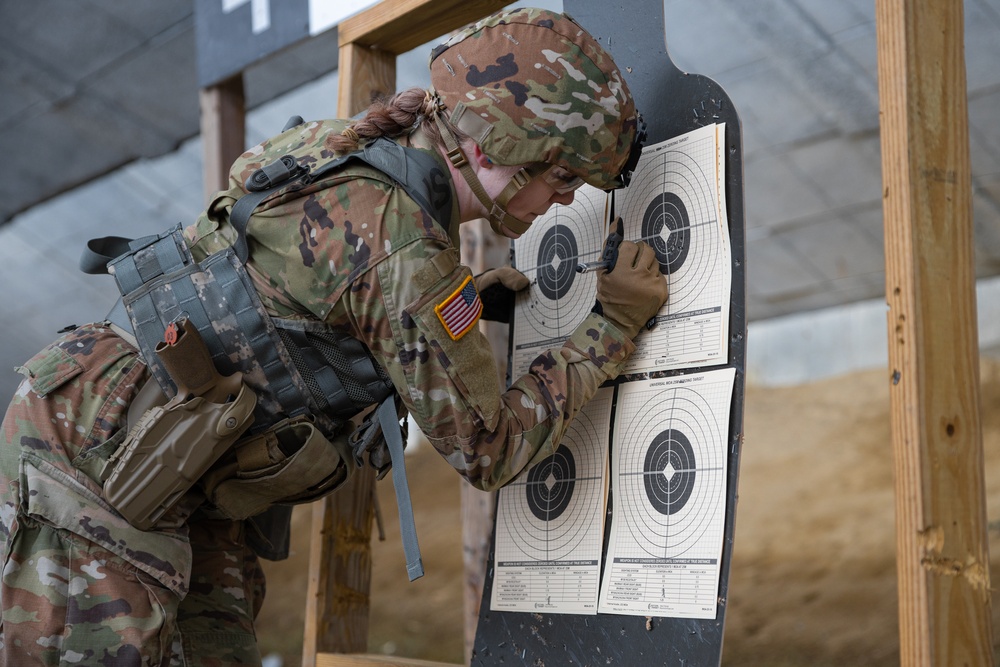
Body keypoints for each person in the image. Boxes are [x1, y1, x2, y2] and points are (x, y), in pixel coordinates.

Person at [0, 7, 668, 666]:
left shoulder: (359, 147)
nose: (562, 200)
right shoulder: (402, 253)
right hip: (100, 461)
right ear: (502, 149)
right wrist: (610, 327)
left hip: (157, 444)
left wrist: (456, 307)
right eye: (562, 175)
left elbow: (320, 292)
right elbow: (489, 448)